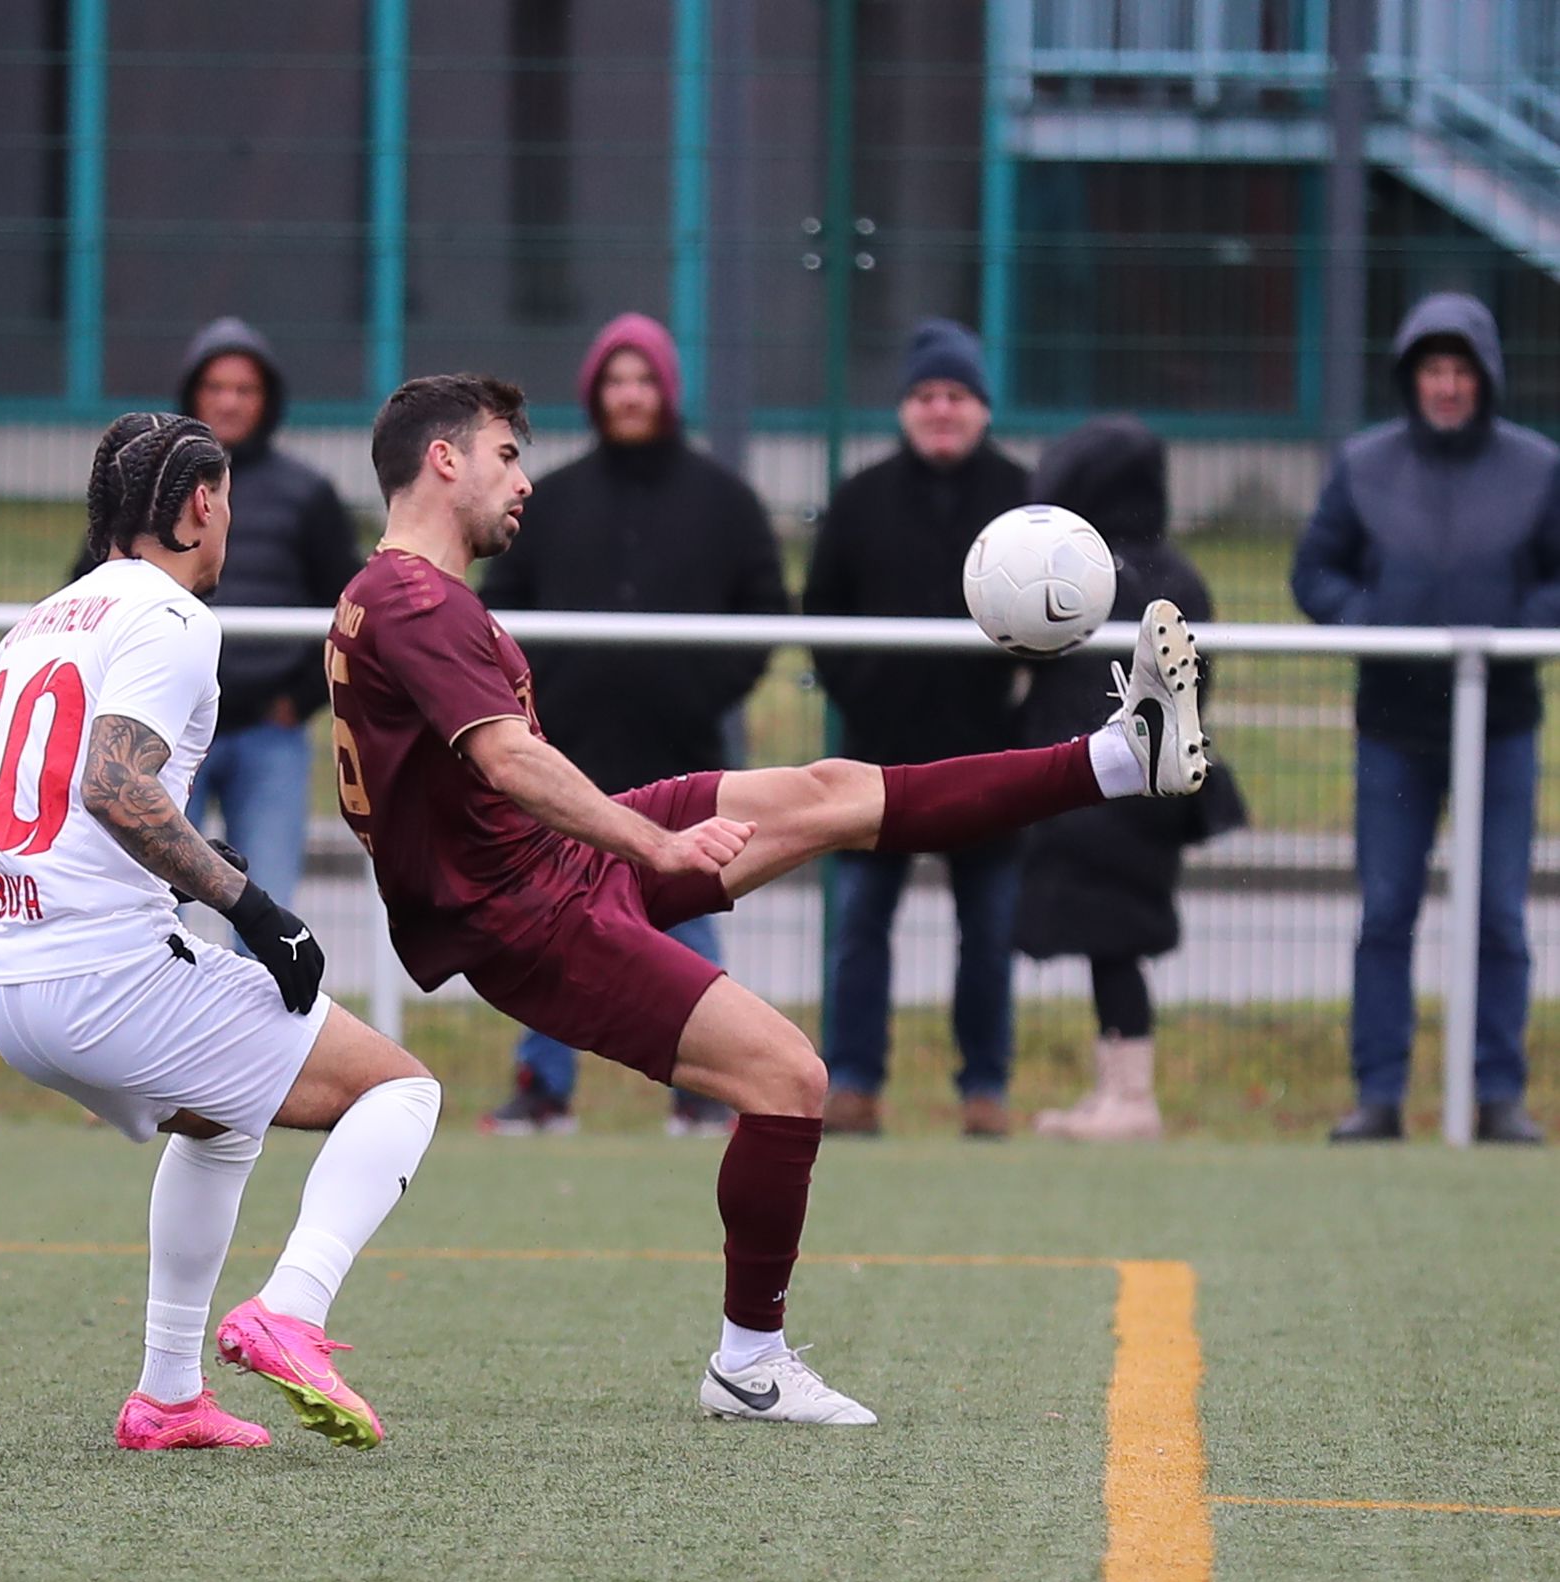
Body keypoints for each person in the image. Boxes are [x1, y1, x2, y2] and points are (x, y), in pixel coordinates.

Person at [328, 374, 1210, 1425]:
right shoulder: (417, 600)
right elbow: (511, 761)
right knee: (789, 1077)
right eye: (506, 455)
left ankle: (1117, 756)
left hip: (550, 870)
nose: (523, 480)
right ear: (443, 460)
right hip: (531, 917)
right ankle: (749, 1363)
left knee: (834, 789)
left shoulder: (400, 594)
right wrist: (652, 840)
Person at [0, 412, 442, 1453]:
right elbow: (110, 780)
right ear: (198, 505)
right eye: (225, 500)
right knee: (402, 1088)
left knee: (223, 1122)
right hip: (102, 980)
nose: (229, 520)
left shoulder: (35, 625)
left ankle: (168, 1395)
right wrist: (253, 912)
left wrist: (185, 875)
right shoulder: (174, 617)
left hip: (9, 980)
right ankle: (290, 1312)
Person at [475, 312, 788, 1137]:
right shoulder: (551, 498)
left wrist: (701, 692)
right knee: (553, 921)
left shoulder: (723, 501)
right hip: (568, 758)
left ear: (668, 392)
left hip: (681, 752)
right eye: (616, 380)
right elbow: (499, 614)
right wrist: (538, 701)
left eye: (644, 380)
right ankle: (544, 1090)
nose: (630, 395)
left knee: (685, 913)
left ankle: (704, 1091)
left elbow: (763, 608)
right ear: (594, 394)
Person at [1292, 291, 1560, 1146]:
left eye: (1461, 371)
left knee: (1500, 918)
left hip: (1505, 724)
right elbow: (1315, 571)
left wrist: (1516, 634)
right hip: (1393, 730)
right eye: (1433, 370)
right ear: (1412, 378)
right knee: (1387, 911)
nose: (1447, 386)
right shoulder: (1365, 464)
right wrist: (1367, 620)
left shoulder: (1538, 468)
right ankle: (1378, 1094)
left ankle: (1497, 1097)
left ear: (1487, 379)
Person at [803, 318, 1032, 1138]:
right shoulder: (861, 499)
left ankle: (986, 1089)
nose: (942, 410)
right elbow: (822, 617)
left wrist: (1017, 717)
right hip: (881, 762)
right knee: (862, 926)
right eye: (927, 395)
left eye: (958, 395)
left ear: (983, 408)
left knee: (991, 931)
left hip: (988, 761)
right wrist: (869, 696)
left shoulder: (1022, 499)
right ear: (906, 407)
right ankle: (854, 1082)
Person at [73, 318, 362, 924]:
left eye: (245, 388)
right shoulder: (147, 493)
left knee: (267, 916)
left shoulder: (307, 493)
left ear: (268, 399)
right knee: (143, 911)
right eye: (216, 386)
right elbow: (91, 586)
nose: (229, 400)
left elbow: (348, 609)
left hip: (267, 732)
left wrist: (298, 700)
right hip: (161, 732)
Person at [1011, 417, 1246, 1140]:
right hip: (1113, 789)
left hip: (1117, 793)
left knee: (1115, 942)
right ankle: (1112, 1087)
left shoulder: (1124, 578)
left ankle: (1133, 1098)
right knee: (1103, 941)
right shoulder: (1163, 573)